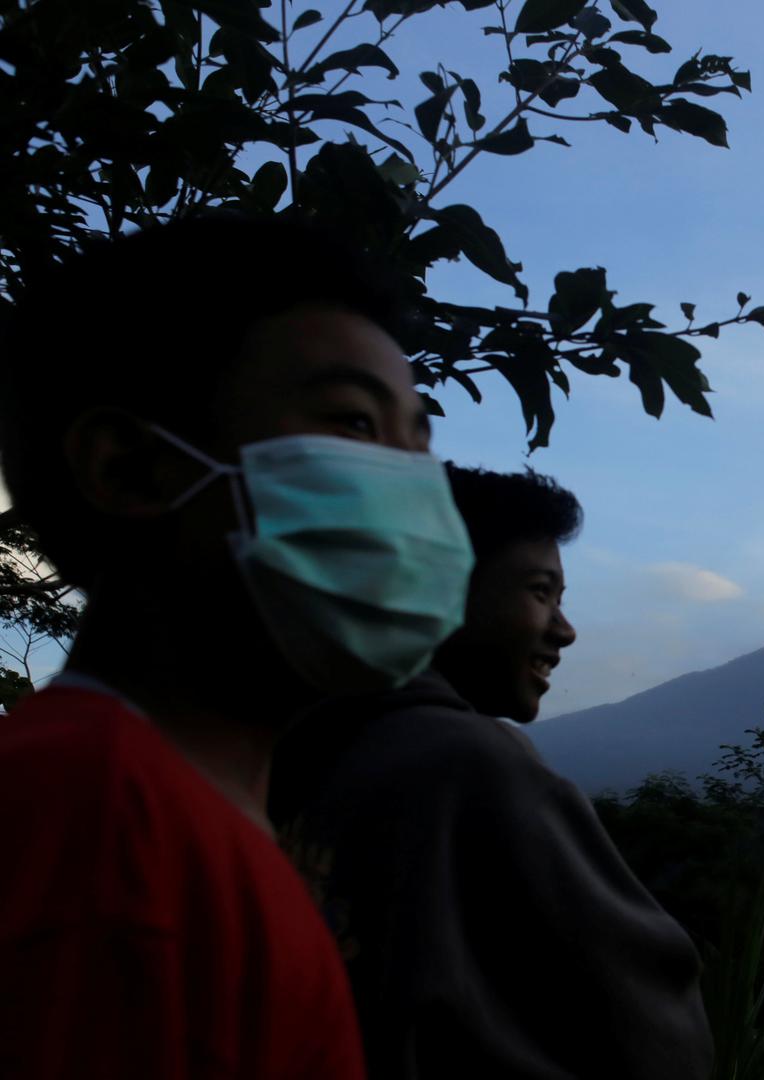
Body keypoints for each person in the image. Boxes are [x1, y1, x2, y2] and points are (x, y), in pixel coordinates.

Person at [0, 216, 476, 1078]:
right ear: (131, 470)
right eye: (355, 424)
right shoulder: (95, 827)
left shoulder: (202, 817)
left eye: (418, 445)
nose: (413, 493)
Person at [270, 466, 713, 1080]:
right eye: (540, 591)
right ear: (435, 586)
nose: (565, 630)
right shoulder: (468, 763)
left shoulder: (291, 757)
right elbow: (652, 1026)